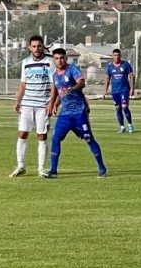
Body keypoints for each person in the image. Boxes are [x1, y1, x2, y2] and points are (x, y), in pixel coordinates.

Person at [44, 48, 107, 178]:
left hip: (79, 113)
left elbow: (81, 82)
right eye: (56, 58)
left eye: (61, 58)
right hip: (65, 115)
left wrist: (71, 88)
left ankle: (102, 168)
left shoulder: (72, 69)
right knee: (55, 139)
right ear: (53, 60)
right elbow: (59, 93)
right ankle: (53, 171)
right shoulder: (55, 75)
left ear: (66, 58)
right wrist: (55, 105)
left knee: (89, 139)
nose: (59, 61)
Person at [10, 35, 54, 178]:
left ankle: (41, 168)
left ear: (43, 47)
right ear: (29, 47)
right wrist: (18, 101)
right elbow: (23, 84)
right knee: (22, 133)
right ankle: (21, 166)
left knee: (41, 135)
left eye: (39, 46)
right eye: (34, 46)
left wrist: (51, 103)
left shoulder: (49, 62)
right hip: (27, 104)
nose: (36, 49)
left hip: (42, 104)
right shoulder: (25, 62)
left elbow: (54, 84)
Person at [103, 49, 135, 133]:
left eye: (118, 55)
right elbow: (107, 79)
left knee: (124, 107)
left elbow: (131, 76)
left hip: (124, 89)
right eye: (115, 55)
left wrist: (132, 88)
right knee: (118, 108)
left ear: (120, 56)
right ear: (112, 56)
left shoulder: (125, 65)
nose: (117, 57)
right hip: (115, 91)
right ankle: (122, 127)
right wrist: (105, 90)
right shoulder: (109, 67)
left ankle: (130, 125)